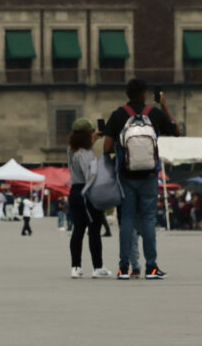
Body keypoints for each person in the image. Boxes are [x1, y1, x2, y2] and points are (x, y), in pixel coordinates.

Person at [102, 78, 179, 280]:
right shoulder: (154, 114)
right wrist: (163, 105)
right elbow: (176, 130)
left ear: (127, 94)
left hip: (126, 175)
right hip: (149, 175)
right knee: (148, 219)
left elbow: (106, 148)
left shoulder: (118, 115)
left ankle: (124, 268)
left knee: (126, 219)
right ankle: (152, 268)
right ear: (145, 94)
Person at [66, 118, 110, 278]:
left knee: (78, 229)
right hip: (87, 193)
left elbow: (82, 149)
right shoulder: (86, 154)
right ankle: (97, 267)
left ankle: (75, 267)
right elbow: (89, 176)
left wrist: (94, 139)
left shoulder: (71, 150)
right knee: (94, 230)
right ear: (86, 135)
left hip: (75, 191)